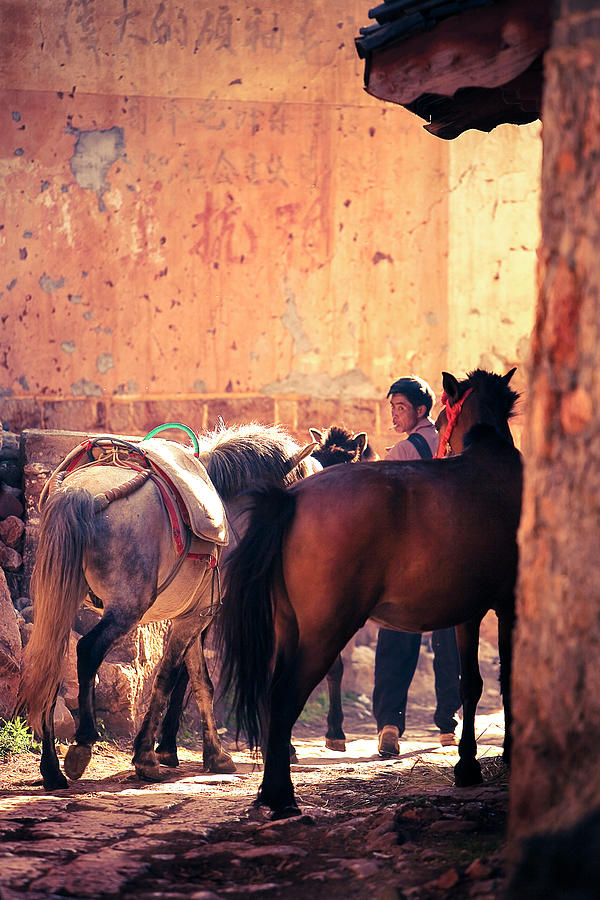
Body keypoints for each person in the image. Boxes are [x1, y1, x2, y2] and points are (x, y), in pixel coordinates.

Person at [373, 375, 462, 758]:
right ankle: (448, 726)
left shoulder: (404, 452)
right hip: (448, 556)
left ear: (420, 410)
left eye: (401, 407)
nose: (394, 414)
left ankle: (390, 724)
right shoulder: (448, 444)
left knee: (396, 638)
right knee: (450, 642)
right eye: (392, 406)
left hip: (407, 558)